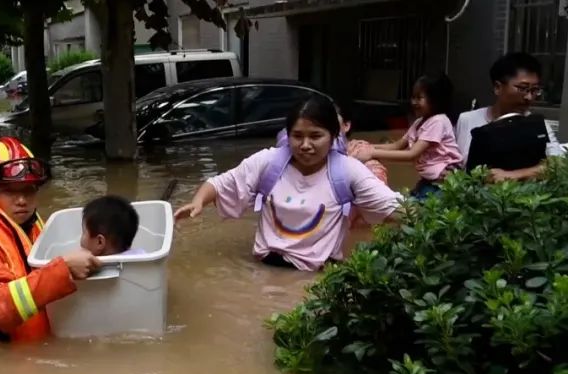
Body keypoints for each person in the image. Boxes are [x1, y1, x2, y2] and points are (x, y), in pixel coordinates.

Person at [175, 96, 403, 271]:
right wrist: (198, 202)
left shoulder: (348, 171)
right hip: (265, 270)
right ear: (288, 135)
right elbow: (221, 183)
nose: (305, 145)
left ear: (334, 135)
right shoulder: (269, 161)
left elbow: (400, 210)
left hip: (320, 276)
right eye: (297, 136)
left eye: (315, 136)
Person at [0, 137, 99, 342]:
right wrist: (63, 270)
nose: (22, 200)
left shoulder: (30, 224)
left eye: (28, 190)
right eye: (10, 191)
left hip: (38, 348)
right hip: (4, 361)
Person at [455, 52, 564, 182]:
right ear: (497, 87)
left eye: (534, 90)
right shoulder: (467, 119)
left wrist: (512, 175)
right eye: (522, 88)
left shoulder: (538, 126)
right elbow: (457, 165)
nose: (528, 97)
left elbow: (558, 165)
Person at [353, 74, 463, 199]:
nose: (413, 102)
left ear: (435, 100)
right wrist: (366, 145)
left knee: (416, 212)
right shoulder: (419, 122)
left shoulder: (438, 121)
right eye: (413, 97)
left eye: (419, 98)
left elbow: (411, 154)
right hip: (429, 180)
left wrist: (372, 153)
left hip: (444, 183)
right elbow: (396, 145)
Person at [276, 100, 389, 185]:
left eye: (330, 118)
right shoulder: (277, 160)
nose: (305, 145)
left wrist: (350, 165)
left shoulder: (363, 155)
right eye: (297, 135)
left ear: (346, 125)